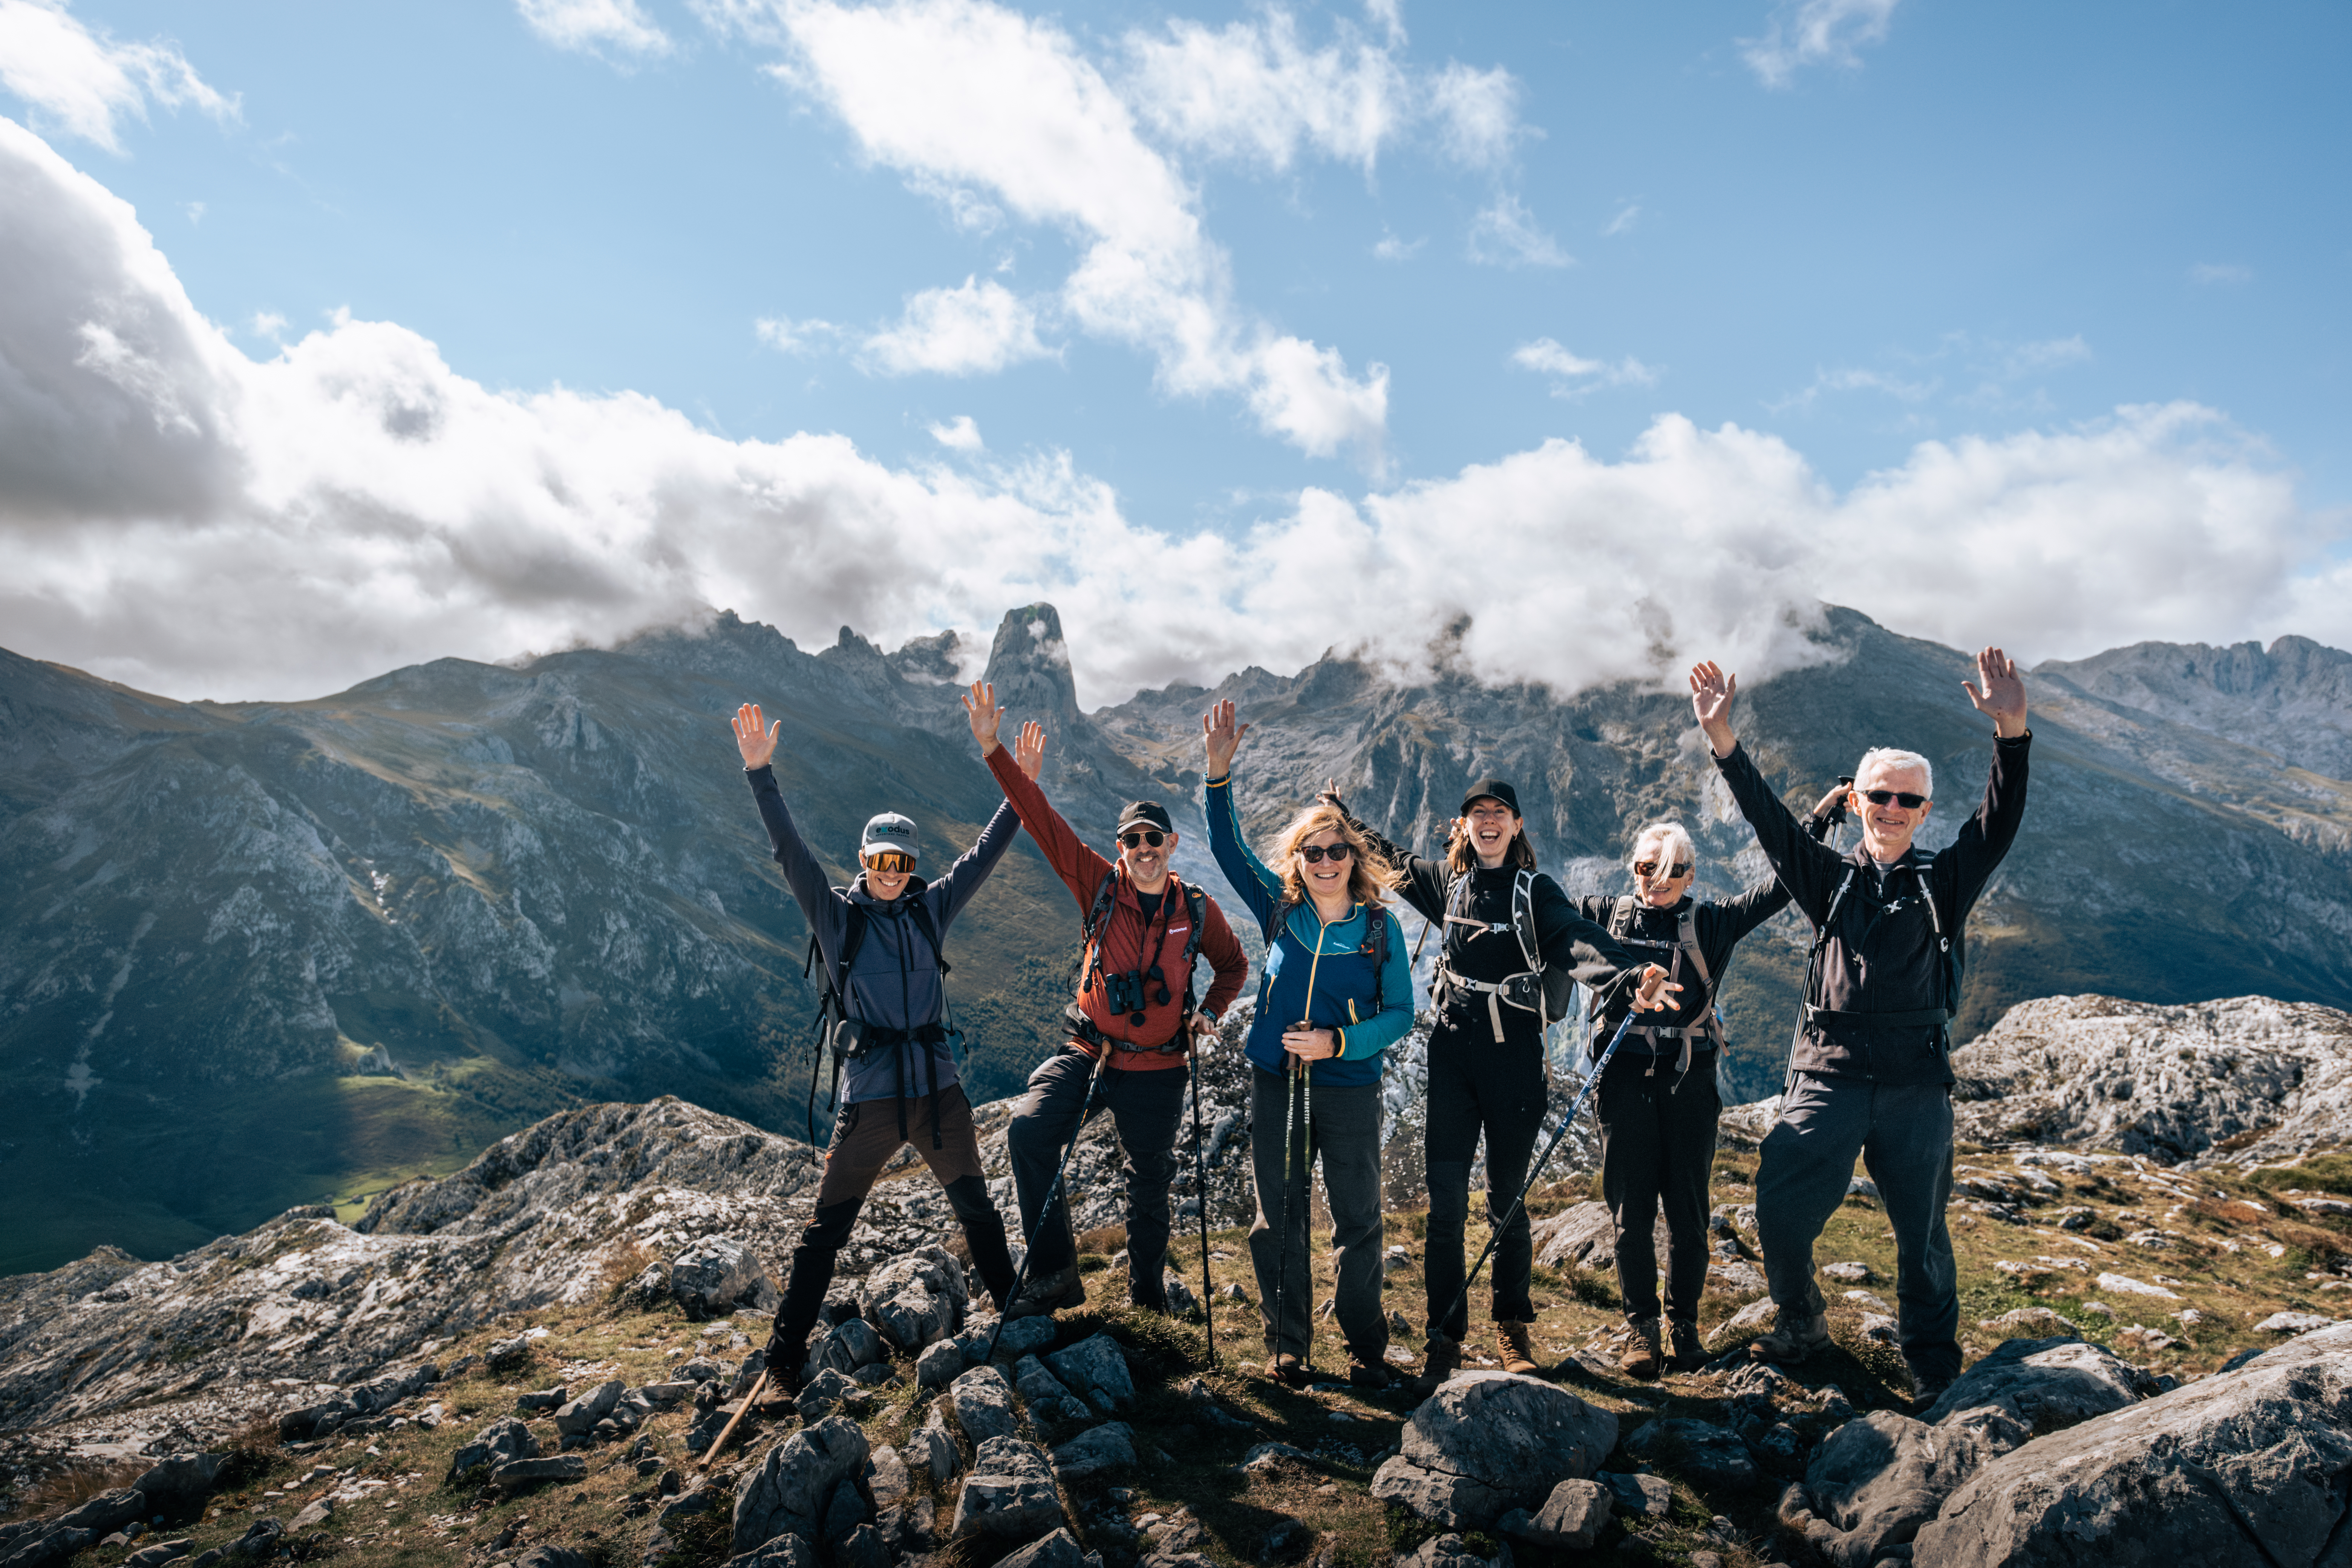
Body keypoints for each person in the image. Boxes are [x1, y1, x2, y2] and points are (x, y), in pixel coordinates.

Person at [1689, 648, 2030, 1409]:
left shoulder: (1946, 880)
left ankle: (1933, 1362)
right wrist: (1723, 740)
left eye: (1908, 801)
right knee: (1778, 1208)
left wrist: (2013, 731)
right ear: (1857, 803)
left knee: (1923, 1239)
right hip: (1829, 1075)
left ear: (1924, 811)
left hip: (1915, 1082)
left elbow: (1999, 821)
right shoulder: (1828, 878)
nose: (1892, 810)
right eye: (1880, 796)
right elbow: (1769, 821)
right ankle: (1803, 1320)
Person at [1335, 779, 1677, 1393]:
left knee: (1507, 1205)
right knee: (1445, 1207)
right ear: (1463, 824)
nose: (1487, 822)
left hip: (1515, 1063)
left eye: (1498, 814)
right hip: (1453, 1059)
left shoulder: (1534, 892)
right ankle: (1445, 1335)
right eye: (1477, 814)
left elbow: (1576, 939)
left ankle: (1512, 1327)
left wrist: (1631, 976)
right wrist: (1344, 817)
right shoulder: (1449, 884)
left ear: (1517, 826)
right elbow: (1387, 858)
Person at [733, 698, 1027, 1393]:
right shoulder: (838, 919)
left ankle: (1018, 1314)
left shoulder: (932, 909)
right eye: (880, 860)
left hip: (937, 1094)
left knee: (978, 1211)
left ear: (912, 863)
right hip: (869, 1100)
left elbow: (987, 851)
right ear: (863, 860)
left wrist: (1019, 783)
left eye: (903, 860)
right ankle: (783, 1359)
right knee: (825, 1232)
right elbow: (790, 854)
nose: (892, 871)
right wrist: (759, 777)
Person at [968, 683, 1250, 1318]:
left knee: (1149, 1185)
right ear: (1120, 847)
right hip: (1090, 1050)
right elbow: (1039, 817)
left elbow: (1234, 965)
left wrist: (1210, 1012)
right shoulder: (1098, 883)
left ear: (1172, 847)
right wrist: (993, 750)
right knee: (1030, 1132)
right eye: (1133, 841)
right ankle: (1057, 1275)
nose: (1144, 851)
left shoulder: (1195, 908)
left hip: (1159, 1066)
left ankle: (1147, 1305)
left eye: (1155, 840)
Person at [1573, 798, 1843, 1381]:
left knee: (1690, 1214)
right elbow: (1546, 917)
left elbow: (1778, 888)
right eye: (1648, 868)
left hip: (1690, 1083)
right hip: (1623, 1083)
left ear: (1690, 876)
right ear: (1633, 869)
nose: (1658, 881)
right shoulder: (1603, 914)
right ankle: (1641, 1329)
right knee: (1630, 1212)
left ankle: (1684, 1326)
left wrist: (1815, 826)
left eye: (1672, 870)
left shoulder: (1711, 922)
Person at [1200, 700, 1417, 1389]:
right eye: (1313, 852)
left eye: (1337, 850)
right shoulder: (1280, 911)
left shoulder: (1380, 928)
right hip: (1277, 1081)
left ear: (1355, 858)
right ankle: (1289, 1346)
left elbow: (1403, 1015)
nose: (1326, 861)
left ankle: (1365, 1346)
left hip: (1349, 1087)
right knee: (1280, 1215)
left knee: (1358, 1220)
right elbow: (1227, 848)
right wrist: (1217, 774)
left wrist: (1340, 1041)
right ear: (1299, 861)